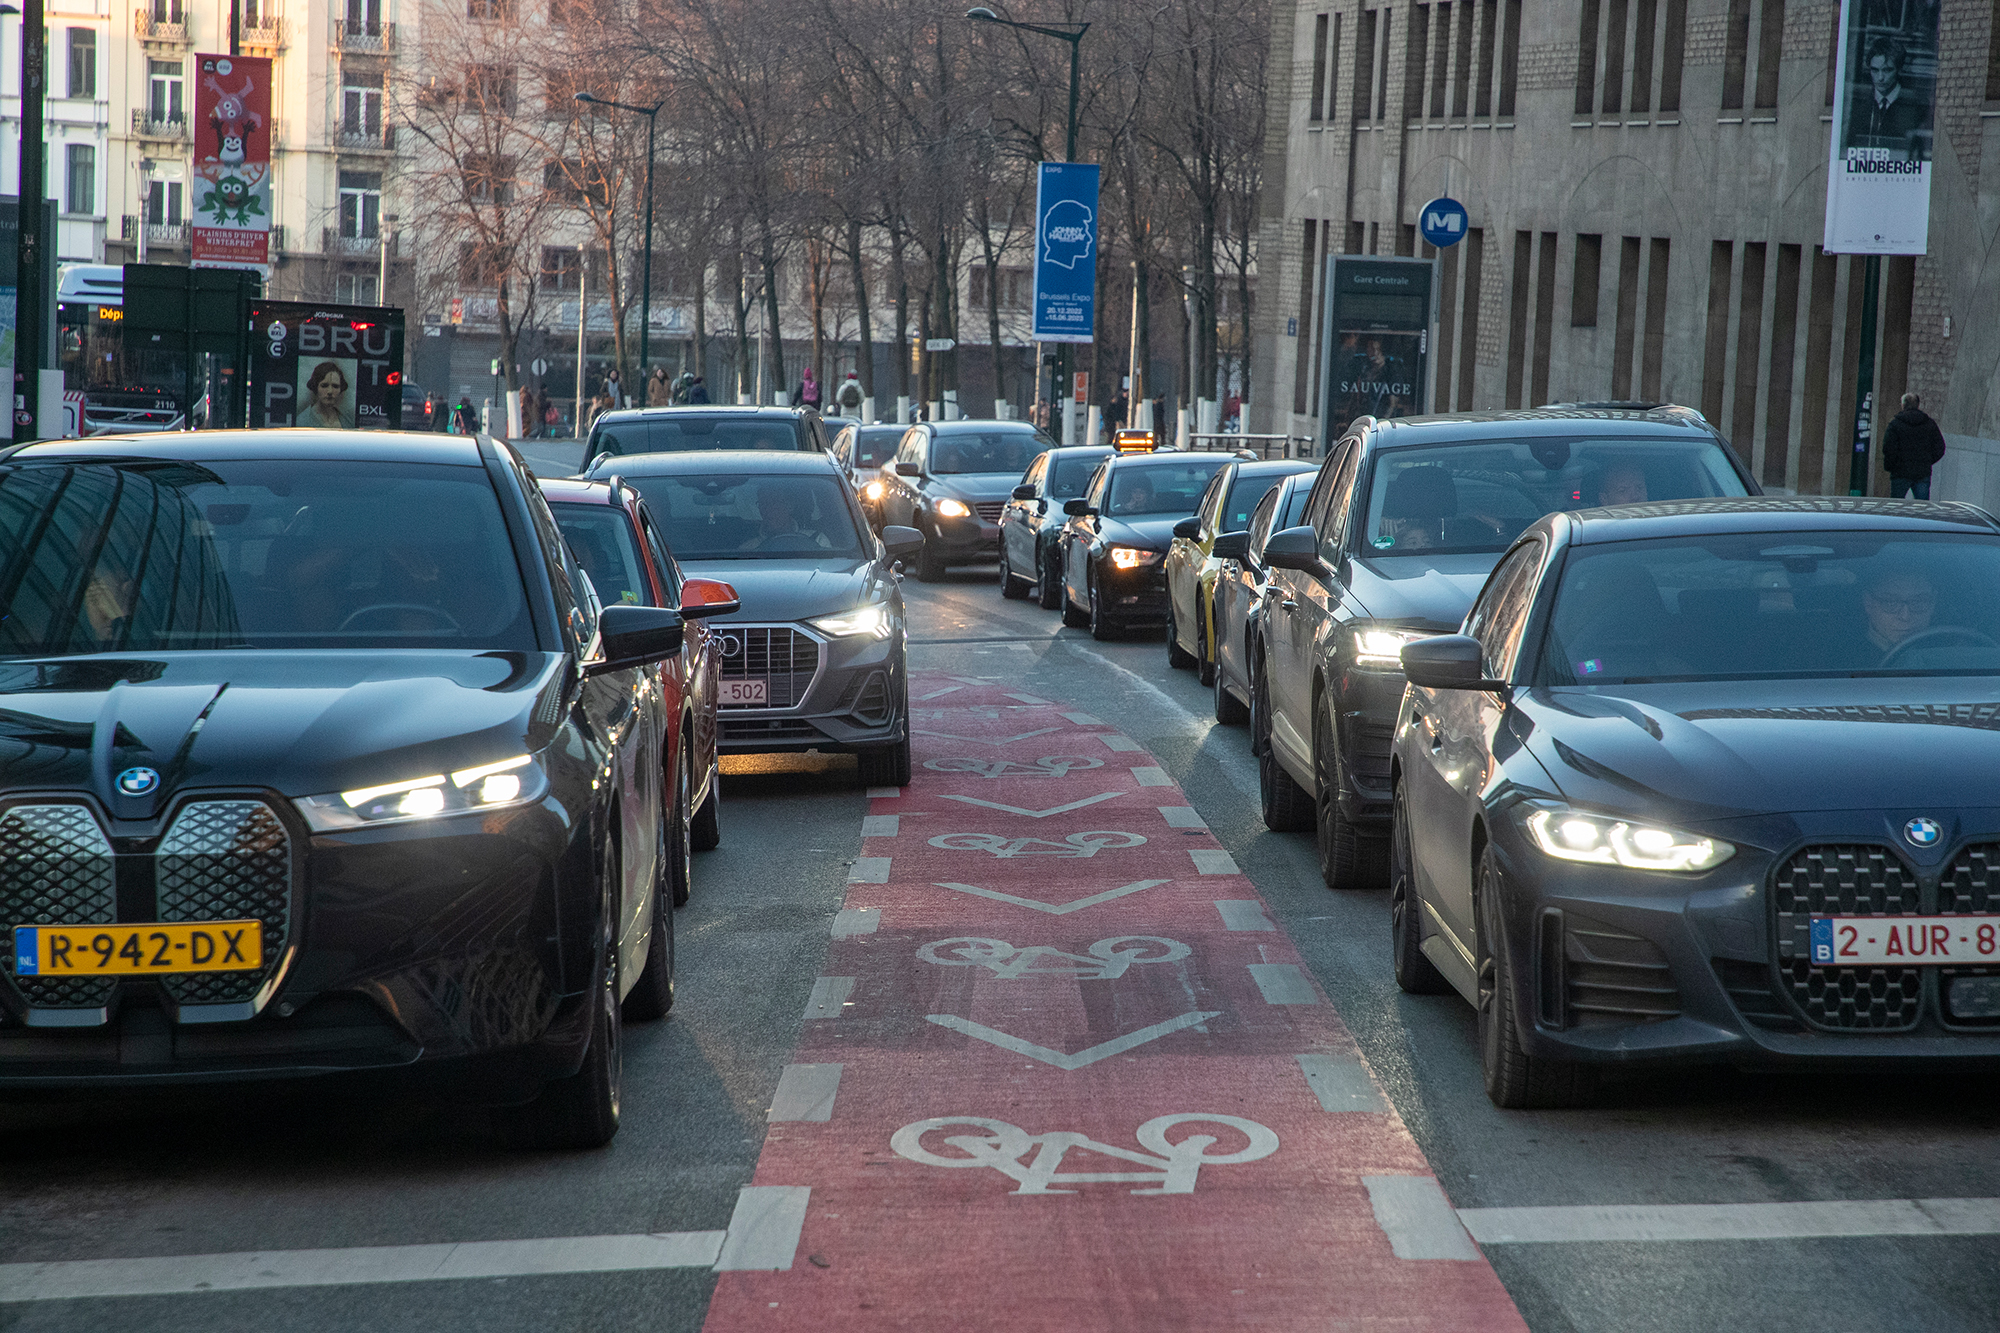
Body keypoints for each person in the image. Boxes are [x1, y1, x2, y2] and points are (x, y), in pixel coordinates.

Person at [1859, 567, 1936, 659]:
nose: (1905, 616)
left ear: (1933, 603)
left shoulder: (1952, 651)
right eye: (1890, 602)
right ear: (1868, 603)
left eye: (1918, 602)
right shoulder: (1844, 662)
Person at [1882, 392, 1947, 499]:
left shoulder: (1895, 424)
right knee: (1922, 507)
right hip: (1922, 472)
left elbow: (1888, 448)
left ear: (1903, 405)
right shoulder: (1929, 424)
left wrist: (1891, 466)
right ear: (1918, 405)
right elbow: (1940, 447)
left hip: (1900, 472)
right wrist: (1927, 461)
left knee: (1895, 507)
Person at [302, 362, 353, 429]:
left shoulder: (348, 420)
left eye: (335, 386)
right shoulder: (303, 420)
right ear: (316, 387)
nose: (330, 391)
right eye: (324, 386)